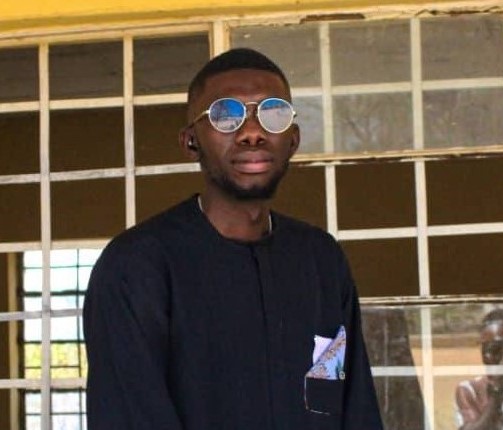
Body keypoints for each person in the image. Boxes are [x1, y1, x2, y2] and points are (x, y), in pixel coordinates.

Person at [83, 47, 383, 430]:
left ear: (293, 140)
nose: (252, 132)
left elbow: (351, 404)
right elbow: (130, 417)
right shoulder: (136, 267)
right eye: (226, 116)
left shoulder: (320, 261)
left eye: (273, 113)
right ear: (190, 142)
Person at [455, 309, 503, 430]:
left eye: (497, 349)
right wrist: (496, 393)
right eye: (486, 349)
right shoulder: (469, 390)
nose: (487, 356)